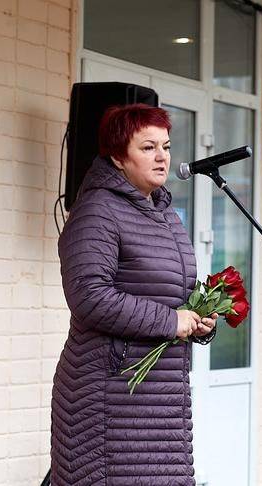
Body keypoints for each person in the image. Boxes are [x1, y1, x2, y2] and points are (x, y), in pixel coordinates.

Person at [51, 103, 217, 485]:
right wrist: (169, 321)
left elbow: (174, 293)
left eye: (166, 146)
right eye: (147, 147)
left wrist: (199, 320)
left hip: (160, 397)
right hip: (110, 397)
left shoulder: (165, 215)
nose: (162, 157)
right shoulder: (97, 211)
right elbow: (89, 296)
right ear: (117, 156)